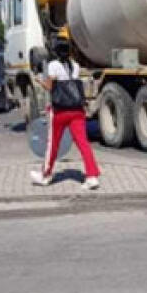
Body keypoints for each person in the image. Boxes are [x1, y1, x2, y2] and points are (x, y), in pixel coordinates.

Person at [31, 40, 100, 190]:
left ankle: (45, 175)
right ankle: (92, 176)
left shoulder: (53, 66)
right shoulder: (75, 65)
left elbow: (49, 87)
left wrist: (38, 80)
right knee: (83, 143)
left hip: (59, 111)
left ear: (55, 52)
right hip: (77, 110)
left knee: (53, 144)